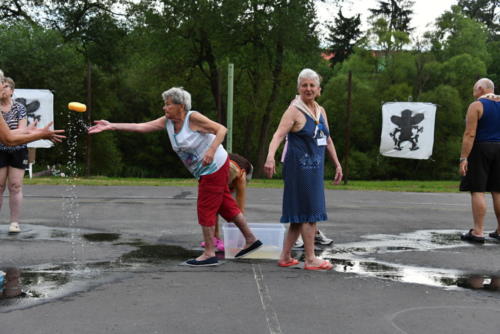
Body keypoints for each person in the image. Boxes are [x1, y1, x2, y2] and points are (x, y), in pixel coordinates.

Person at [88, 87, 262, 266]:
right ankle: (251, 239)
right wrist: (111, 125)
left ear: (181, 106)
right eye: (165, 104)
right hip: (205, 170)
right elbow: (142, 126)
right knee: (225, 205)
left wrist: (210, 151)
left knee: (205, 209)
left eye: (168, 104)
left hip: (214, 167)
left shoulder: (192, 118)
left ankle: (209, 253)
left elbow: (221, 130)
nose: (164, 108)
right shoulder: (168, 122)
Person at [264, 68, 342, 270]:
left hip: (315, 168)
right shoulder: (294, 110)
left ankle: (285, 256)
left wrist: (337, 164)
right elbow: (278, 135)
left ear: (318, 90)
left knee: (299, 217)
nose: (308, 89)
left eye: (312, 85)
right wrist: (270, 157)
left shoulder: (320, 111)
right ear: (298, 88)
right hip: (299, 169)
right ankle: (310, 258)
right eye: (304, 85)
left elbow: (327, 139)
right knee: (309, 212)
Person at [459, 78, 500, 244]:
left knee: (478, 190)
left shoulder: (476, 105)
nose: (473, 93)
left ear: (481, 89)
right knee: (498, 190)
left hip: (481, 147)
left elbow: (470, 134)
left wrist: (463, 157)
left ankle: (478, 232)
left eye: (474, 90)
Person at [200, 153, 253, 252]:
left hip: (243, 171)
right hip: (222, 171)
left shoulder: (240, 178)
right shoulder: (214, 168)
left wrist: (234, 238)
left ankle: (242, 237)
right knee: (215, 203)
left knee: (232, 208)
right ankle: (215, 238)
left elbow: (240, 209)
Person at [0, 70, 64, 150]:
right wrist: (41, 135)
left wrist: (26, 131)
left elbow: (5, 135)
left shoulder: (19, 107)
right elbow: (8, 139)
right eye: (1, 83)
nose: (2, 87)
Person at [0, 77, 29, 233]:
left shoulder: (19, 107)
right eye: (1, 87)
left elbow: (23, 130)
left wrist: (5, 134)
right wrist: (8, 135)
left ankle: (14, 223)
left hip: (18, 149)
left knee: (15, 186)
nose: (3, 90)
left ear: (12, 90)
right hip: (0, 150)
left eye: (6, 87)